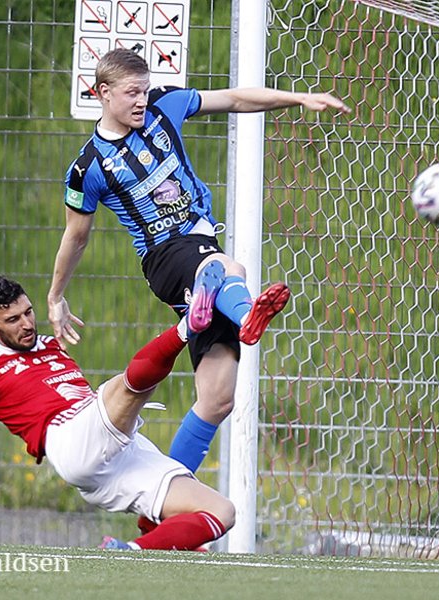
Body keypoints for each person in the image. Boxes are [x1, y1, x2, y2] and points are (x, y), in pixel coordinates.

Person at [47, 48, 352, 477]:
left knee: (217, 398)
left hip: (201, 253)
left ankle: (162, 502)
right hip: (165, 257)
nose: (141, 100)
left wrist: (298, 98)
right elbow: (76, 236)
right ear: (103, 93)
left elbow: (235, 99)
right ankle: (247, 314)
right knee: (231, 270)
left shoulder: (163, 106)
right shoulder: (87, 168)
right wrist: (55, 296)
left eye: (144, 90)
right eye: (132, 92)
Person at [0, 275, 234, 551]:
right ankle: (187, 327)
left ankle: (130, 550)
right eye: (12, 320)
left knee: (222, 512)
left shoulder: (51, 344)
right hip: (70, 439)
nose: (26, 324)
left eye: (28, 312)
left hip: (119, 451)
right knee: (126, 388)